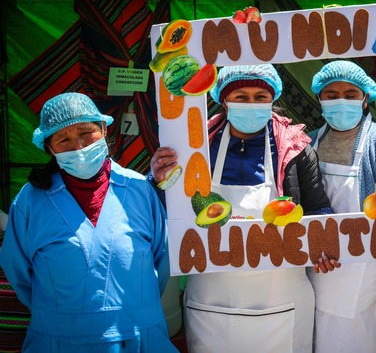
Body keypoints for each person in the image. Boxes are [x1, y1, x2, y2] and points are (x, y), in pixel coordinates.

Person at [150, 64, 335, 353]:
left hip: (281, 300)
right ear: (223, 100)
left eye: (260, 97)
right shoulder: (195, 145)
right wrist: (159, 178)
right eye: (241, 97)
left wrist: (322, 244)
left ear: (273, 98)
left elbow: (318, 209)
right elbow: (165, 207)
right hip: (211, 301)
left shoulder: (297, 150)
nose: (251, 104)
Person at [0, 92, 176, 352]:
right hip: (58, 341)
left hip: (140, 338)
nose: (79, 147)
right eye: (64, 139)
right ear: (50, 148)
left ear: (104, 129)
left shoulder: (139, 189)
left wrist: (134, 309)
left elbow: (162, 261)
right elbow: (20, 274)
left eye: (86, 132)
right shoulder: (30, 202)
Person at [307, 60, 376, 353]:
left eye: (350, 94)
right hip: (316, 272)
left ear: (366, 98)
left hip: (367, 278)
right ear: (319, 98)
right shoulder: (308, 144)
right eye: (331, 95)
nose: (341, 101)